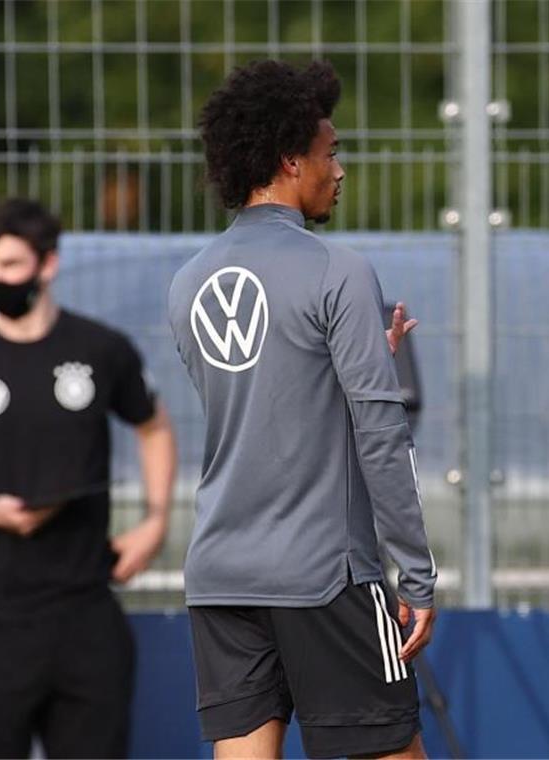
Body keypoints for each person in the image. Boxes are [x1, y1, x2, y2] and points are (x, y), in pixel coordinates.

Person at [167, 59, 437, 760]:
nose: (339, 169)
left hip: (222, 575)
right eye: (331, 152)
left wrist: (354, 354)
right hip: (324, 574)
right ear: (291, 161)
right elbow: (381, 435)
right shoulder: (336, 269)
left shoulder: (189, 282)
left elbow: (268, 402)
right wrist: (415, 573)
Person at [0, 198, 178, 758]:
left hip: (83, 605)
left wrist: (156, 521)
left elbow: (154, 428)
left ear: (48, 265)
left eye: (8, 266)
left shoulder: (98, 350)